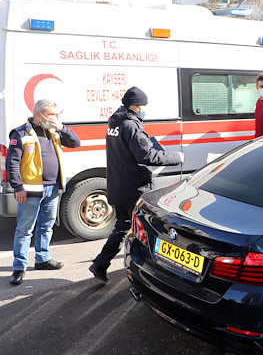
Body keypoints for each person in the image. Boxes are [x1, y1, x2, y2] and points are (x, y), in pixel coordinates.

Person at [89, 87, 183, 283]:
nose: (144, 110)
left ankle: (100, 264)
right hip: (135, 187)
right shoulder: (131, 126)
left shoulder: (115, 123)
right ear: (135, 106)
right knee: (151, 227)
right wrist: (176, 157)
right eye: (143, 106)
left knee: (123, 227)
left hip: (119, 185)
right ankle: (153, 271)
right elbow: (147, 155)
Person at [7, 99, 81, 285]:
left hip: (53, 187)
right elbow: (12, 163)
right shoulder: (21, 133)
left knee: (46, 226)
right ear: (39, 114)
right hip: (30, 190)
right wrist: (18, 187)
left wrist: (62, 127)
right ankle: (19, 267)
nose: (55, 118)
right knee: (25, 230)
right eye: (52, 115)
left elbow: (75, 143)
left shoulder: (54, 130)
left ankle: (42, 259)